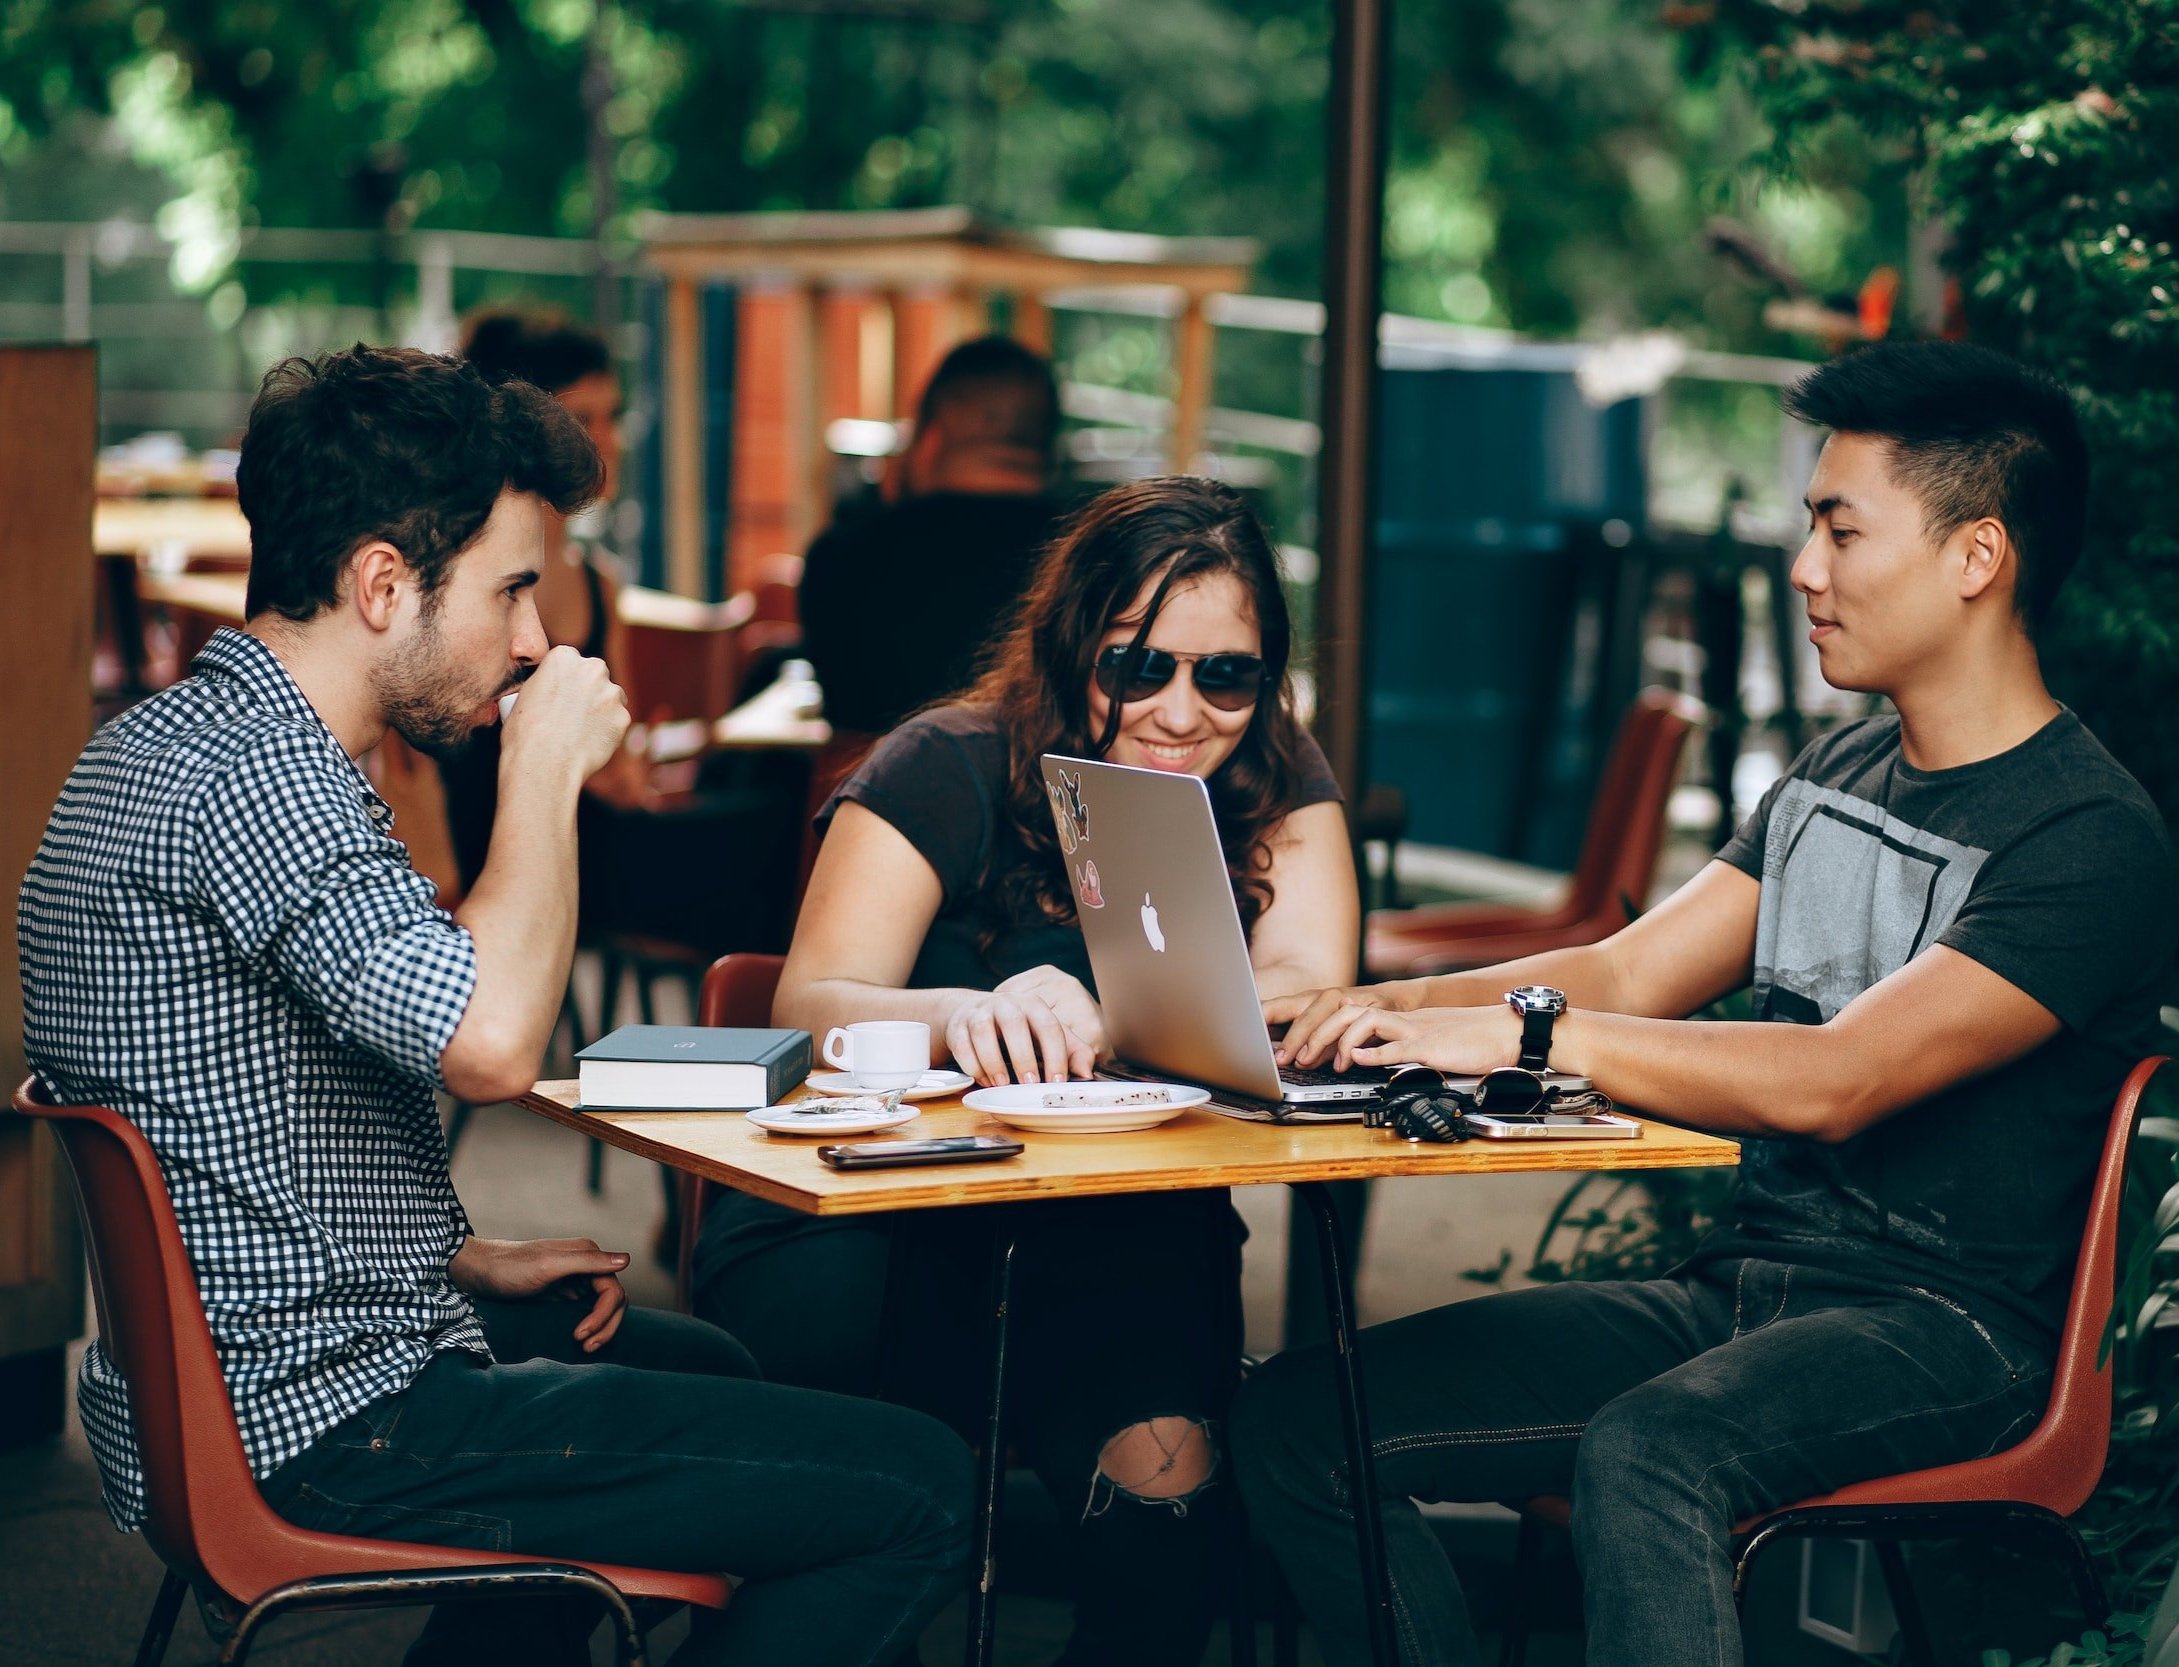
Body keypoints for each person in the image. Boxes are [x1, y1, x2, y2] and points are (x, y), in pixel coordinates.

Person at [18, 345, 972, 1667]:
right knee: (918, 1484)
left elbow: (223, 1111)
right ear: (380, 584)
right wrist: (542, 772)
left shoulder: (165, 744)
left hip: (231, 1376)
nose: (535, 637)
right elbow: (493, 1044)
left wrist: (447, 1253)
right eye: (513, 589)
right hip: (323, 1416)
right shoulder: (262, 784)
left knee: (720, 1376)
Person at [1233, 341, 2177, 1667]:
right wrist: (1351, 1007)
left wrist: (1516, 1030)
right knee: (1299, 1423)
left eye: (1840, 530)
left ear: (1976, 557)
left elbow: (1837, 1075)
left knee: (1649, 1450)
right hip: (1741, 1293)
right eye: (1809, 526)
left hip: (1944, 1331)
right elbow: (1623, 970)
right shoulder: (1838, 763)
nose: (1804, 568)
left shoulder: (2085, 837)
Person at [692, 476, 1361, 1667]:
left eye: (1226, 672)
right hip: (880, 1220)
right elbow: (806, 1002)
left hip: (1112, 1233)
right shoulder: (943, 761)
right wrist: (969, 1009)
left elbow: (1307, 987)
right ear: (1071, 653)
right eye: (1136, 666)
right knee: (882, 1509)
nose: (1180, 708)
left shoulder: (1270, 775)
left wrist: (1107, 1012)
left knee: (1167, 1512)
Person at [441, 307, 647, 892]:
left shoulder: (601, 587)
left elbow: (622, 755)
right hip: (477, 858)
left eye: (614, 417)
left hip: (585, 849)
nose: (608, 442)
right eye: (583, 418)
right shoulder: (454, 583)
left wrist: (621, 766)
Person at [798, 335, 1064, 734]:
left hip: (869, 792)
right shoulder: (1090, 556)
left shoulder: (841, 556)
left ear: (931, 437)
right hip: (1040, 793)